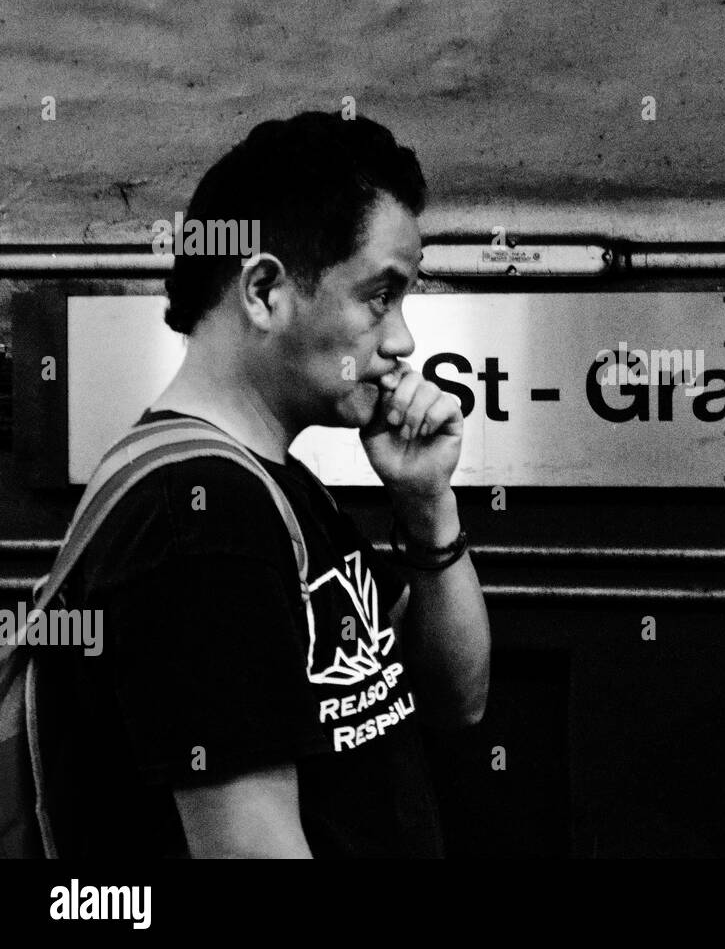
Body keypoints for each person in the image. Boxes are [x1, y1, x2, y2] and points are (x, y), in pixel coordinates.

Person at [42, 111, 490, 858]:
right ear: (263, 291)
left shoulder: (273, 487)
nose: (404, 338)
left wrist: (426, 503)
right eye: (382, 295)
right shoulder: (201, 523)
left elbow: (455, 701)